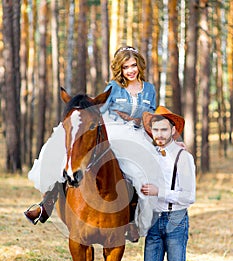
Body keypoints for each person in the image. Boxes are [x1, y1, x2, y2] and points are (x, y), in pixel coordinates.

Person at [25, 45, 163, 241]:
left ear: (139, 65)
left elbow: (153, 115)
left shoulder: (149, 89)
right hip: (114, 129)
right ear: (120, 69)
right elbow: (97, 110)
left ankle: (132, 219)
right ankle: (47, 202)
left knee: (139, 172)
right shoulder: (113, 87)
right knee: (69, 153)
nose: (131, 70)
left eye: (133, 65)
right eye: (125, 67)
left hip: (138, 135)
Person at [141, 106, 196, 261]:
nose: (160, 134)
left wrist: (159, 192)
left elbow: (189, 196)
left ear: (173, 131)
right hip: (154, 220)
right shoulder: (149, 155)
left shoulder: (184, 157)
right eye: (156, 130)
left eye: (164, 129)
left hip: (175, 220)